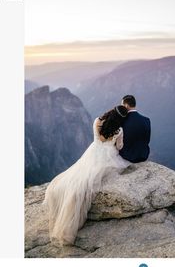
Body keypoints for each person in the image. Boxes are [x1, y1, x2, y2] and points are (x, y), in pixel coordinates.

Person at [43, 105, 131, 246]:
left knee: (80, 175)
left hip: (92, 153)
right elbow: (119, 147)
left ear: (112, 111)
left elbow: (98, 139)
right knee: (90, 180)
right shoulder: (119, 130)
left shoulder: (97, 121)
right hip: (108, 158)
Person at [119, 95, 151, 163]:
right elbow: (147, 140)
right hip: (143, 155)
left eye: (122, 105)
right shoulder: (146, 120)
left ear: (126, 106)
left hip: (127, 156)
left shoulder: (122, 121)